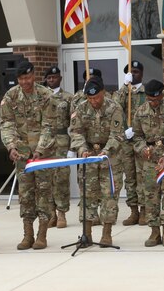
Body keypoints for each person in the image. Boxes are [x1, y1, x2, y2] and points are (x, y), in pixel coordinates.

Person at [0, 61, 55, 250]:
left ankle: (42, 234)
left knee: (43, 192)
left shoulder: (46, 95)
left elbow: (49, 125)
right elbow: (6, 124)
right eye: (21, 79)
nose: (25, 82)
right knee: (25, 194)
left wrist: (40, 150)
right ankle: (27, 234)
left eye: (28, 78)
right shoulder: (11, 96)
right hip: (22, 154)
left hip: (43, 153)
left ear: (34, 75)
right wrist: (11, 146)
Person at [69, 77, 125, 246]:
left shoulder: (114, 107)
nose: (94, 101)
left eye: (97, 97)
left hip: (110, 157)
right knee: (87, 194)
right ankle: (87, 234)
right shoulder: (81, 108)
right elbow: (75, 132)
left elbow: (117, 134)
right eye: (90, 98)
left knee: (109, 195)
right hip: (89, 157)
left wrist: (106, 151)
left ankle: (106, 234)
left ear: (103, 92)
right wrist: (82, 149)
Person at [132, 79, 164, 246]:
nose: (153, 102)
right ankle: (154, 232)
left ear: (162, 95)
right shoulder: (140, 112)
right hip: (149, 161)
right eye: (150, 99)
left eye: (156, 99)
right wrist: (142, 149)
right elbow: (137, 137)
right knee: (150, 196)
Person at [114, 60, 147, 226]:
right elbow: (114, 106)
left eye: (136, 71)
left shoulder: (146, 92)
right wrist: (124, 85)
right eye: (130, 72)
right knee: (130, 177)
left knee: (143, 176)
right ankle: (133, 210)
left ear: (141, 73)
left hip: (141, 140)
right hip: (126, 141)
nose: (133, 74)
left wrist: (137, 128)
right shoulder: (123, 92)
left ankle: (144, 210)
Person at [70, 67, 103, 226]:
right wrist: (80, 148)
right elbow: (75, 128)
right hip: (87, 149)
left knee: (105, 187)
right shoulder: (79, 102)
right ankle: (89, 218)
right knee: (86, 186)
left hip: (104, 151)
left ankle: (104, 218)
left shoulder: (110, 103)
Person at [43, 65, 73, 228]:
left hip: (62, 140)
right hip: (44, 141)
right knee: (46, 179)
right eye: (49, 78)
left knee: (61, 178)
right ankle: (51, 214)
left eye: (54, 77)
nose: (52, 80)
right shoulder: (41, 97)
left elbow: (74, 124)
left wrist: (72, 148)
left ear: (60, 78)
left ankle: (62, 213)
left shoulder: (68, 98)